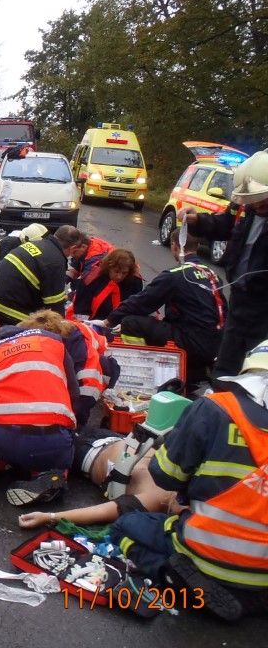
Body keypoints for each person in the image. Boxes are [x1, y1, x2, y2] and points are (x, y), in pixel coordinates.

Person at [108, 340, 268, 620]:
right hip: (264, 574)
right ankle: (251, 594)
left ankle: (174, 575)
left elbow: (165, 475)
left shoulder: (215, 408)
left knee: (124, 527)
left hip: (208, 551)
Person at [0, 323, 81, 506]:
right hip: (48, 439)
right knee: (62, 454)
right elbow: (74, 393)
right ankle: (48, 478)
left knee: (4, 442)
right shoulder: (53, 341)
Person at [102, 229, 226, 393]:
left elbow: (142, 302)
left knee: (130, 323)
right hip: (218, 344)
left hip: (193, 343)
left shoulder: (175, 275)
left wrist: (109, 320)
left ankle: (142, 368)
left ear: (175, 245)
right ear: (197, 246)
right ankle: (195, 368)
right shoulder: (213, 274)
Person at [180, 150, 268, 378]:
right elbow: (224, 224)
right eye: (252, 201)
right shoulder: (244, 206)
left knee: (257, 372)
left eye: (261, 201)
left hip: (264, 307)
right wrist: (197, 219)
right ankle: (220, 400)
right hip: (240, 298)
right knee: (226, 365)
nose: (256, 206)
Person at [18, 428, 175, 529]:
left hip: (90, 451)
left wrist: (48, 517)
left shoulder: (156, 500)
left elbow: (99, 512)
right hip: (116, 439)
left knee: (40, 437)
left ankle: (50, 473)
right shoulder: (174, 489)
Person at [17, 309, 118, 427]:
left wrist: (74, 424)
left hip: (103, 362)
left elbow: (88, 389)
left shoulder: (77, 343)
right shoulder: (32, 335)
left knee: (94, 375)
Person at [0, 225, 84, 326]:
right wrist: (62, 332)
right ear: (72, 248)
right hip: (4, 310)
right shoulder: (55, 262)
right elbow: (55, 307)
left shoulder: (38, 244)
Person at [68, 248, 143, 320]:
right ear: (109, 267)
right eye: (116, 271)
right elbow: (81, 308)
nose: (119, 277)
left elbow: (136, 306)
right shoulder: (91, 279)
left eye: (124, 273)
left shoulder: (135, 282)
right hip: (94, 321)